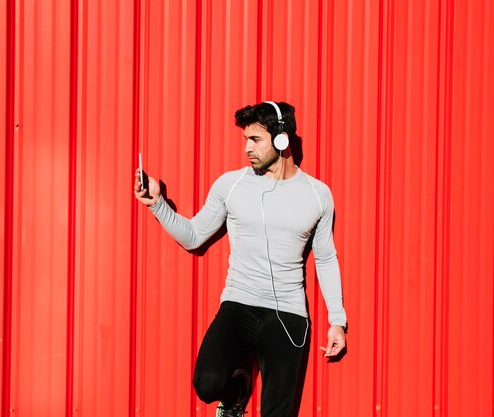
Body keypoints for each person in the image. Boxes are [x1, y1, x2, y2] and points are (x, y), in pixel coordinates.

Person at [133, 101, 347, 417]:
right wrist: (157, 205)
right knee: (206, 383)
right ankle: (236, 394)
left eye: (255, 139)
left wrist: (337, 321)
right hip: (239, 304)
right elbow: (193, 236)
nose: (247, 148)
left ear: (281, 139)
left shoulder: (318, 194)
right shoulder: (230, 185)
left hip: (287, 316)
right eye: (246, 139)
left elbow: (326, 258)